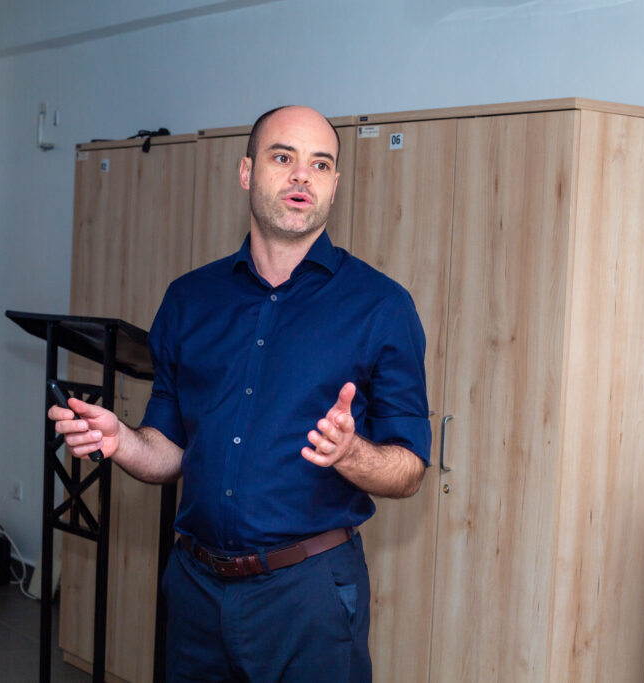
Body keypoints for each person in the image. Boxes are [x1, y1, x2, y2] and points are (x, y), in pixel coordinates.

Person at [49, 105, 430, 682]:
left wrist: (351, 453)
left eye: (320, 164)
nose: (302, 175)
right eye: (283, 157)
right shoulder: (189, 299)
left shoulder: (382, 307)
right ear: (247, 172)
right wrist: (123, 440)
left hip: (308, 596)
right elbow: (171, 450)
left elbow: (410, 468)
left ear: (334, 184)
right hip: (195, 591)